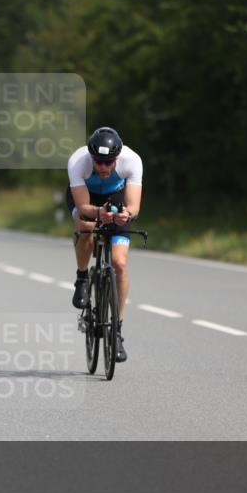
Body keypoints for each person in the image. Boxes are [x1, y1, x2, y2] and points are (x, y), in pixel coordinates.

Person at [67, 126, 143, 363]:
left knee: (119, 263)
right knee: (85, 228)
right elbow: (82, 209)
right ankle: (82, 277)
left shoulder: (132, 161)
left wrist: (125, 216)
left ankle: (116, 330)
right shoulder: (78, 162)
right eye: (98, 162)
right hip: (87, 200)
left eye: (108, 163)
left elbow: (134, 207)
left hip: (116, 198)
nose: (102, 167)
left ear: (116, 159)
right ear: (91, 157)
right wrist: (98, 214)